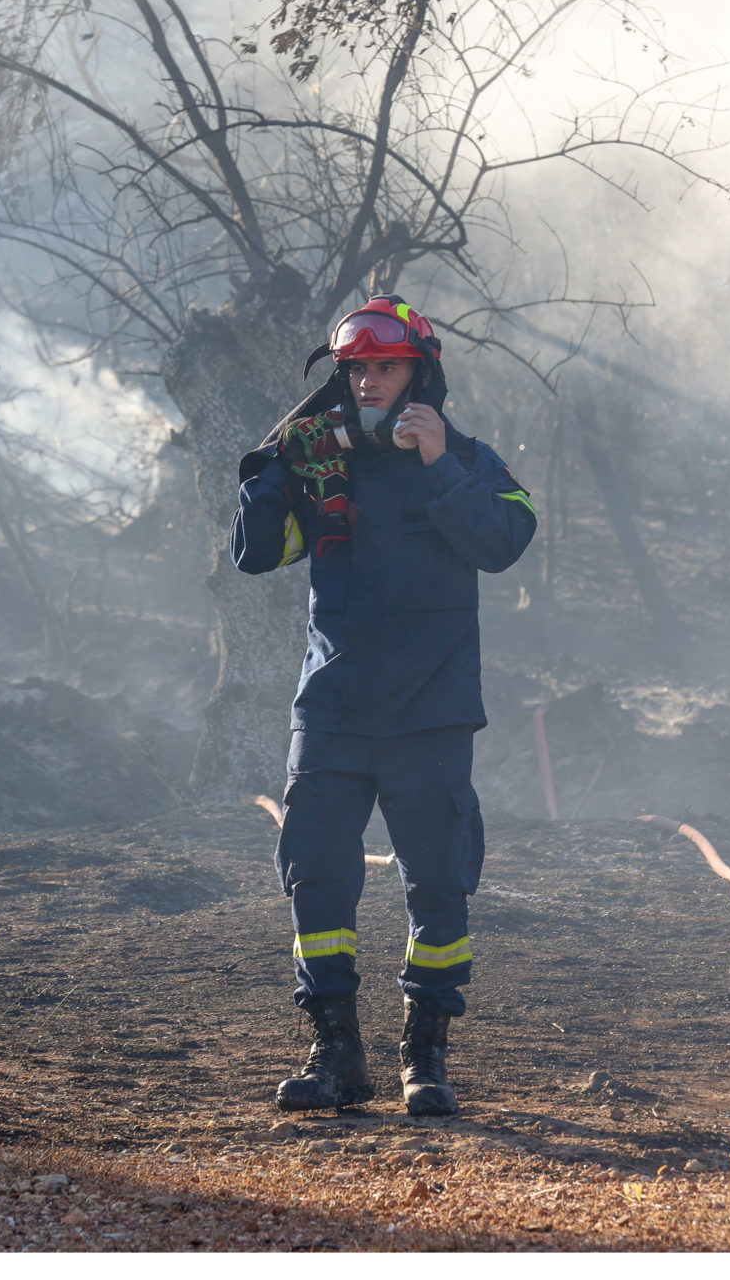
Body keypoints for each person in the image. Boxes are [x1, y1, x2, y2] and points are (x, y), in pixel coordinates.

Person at [232, 295, 537, 1115]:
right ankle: (334, 1052)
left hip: (430, 714)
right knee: (316, 881)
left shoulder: (468, 458)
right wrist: (270, 474)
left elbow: (507, 543)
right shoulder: (324, 465)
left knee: (438, 883)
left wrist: (440, 466)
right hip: (331, 708)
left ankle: (425, 1053)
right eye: (356, 369)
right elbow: (257, 554)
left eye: (386, 366)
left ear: (422, 374)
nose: (369, 382)